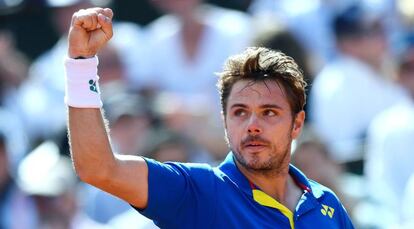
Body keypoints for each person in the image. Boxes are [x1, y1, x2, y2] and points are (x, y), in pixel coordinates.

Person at [65, 7, 354, 228]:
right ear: (225, 122)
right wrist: (81, 63)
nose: (252, 125)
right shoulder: (199, 190)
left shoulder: (326, 204)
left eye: (269, 112)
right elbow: (97, 167)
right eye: (240, 112)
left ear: (297, 124)